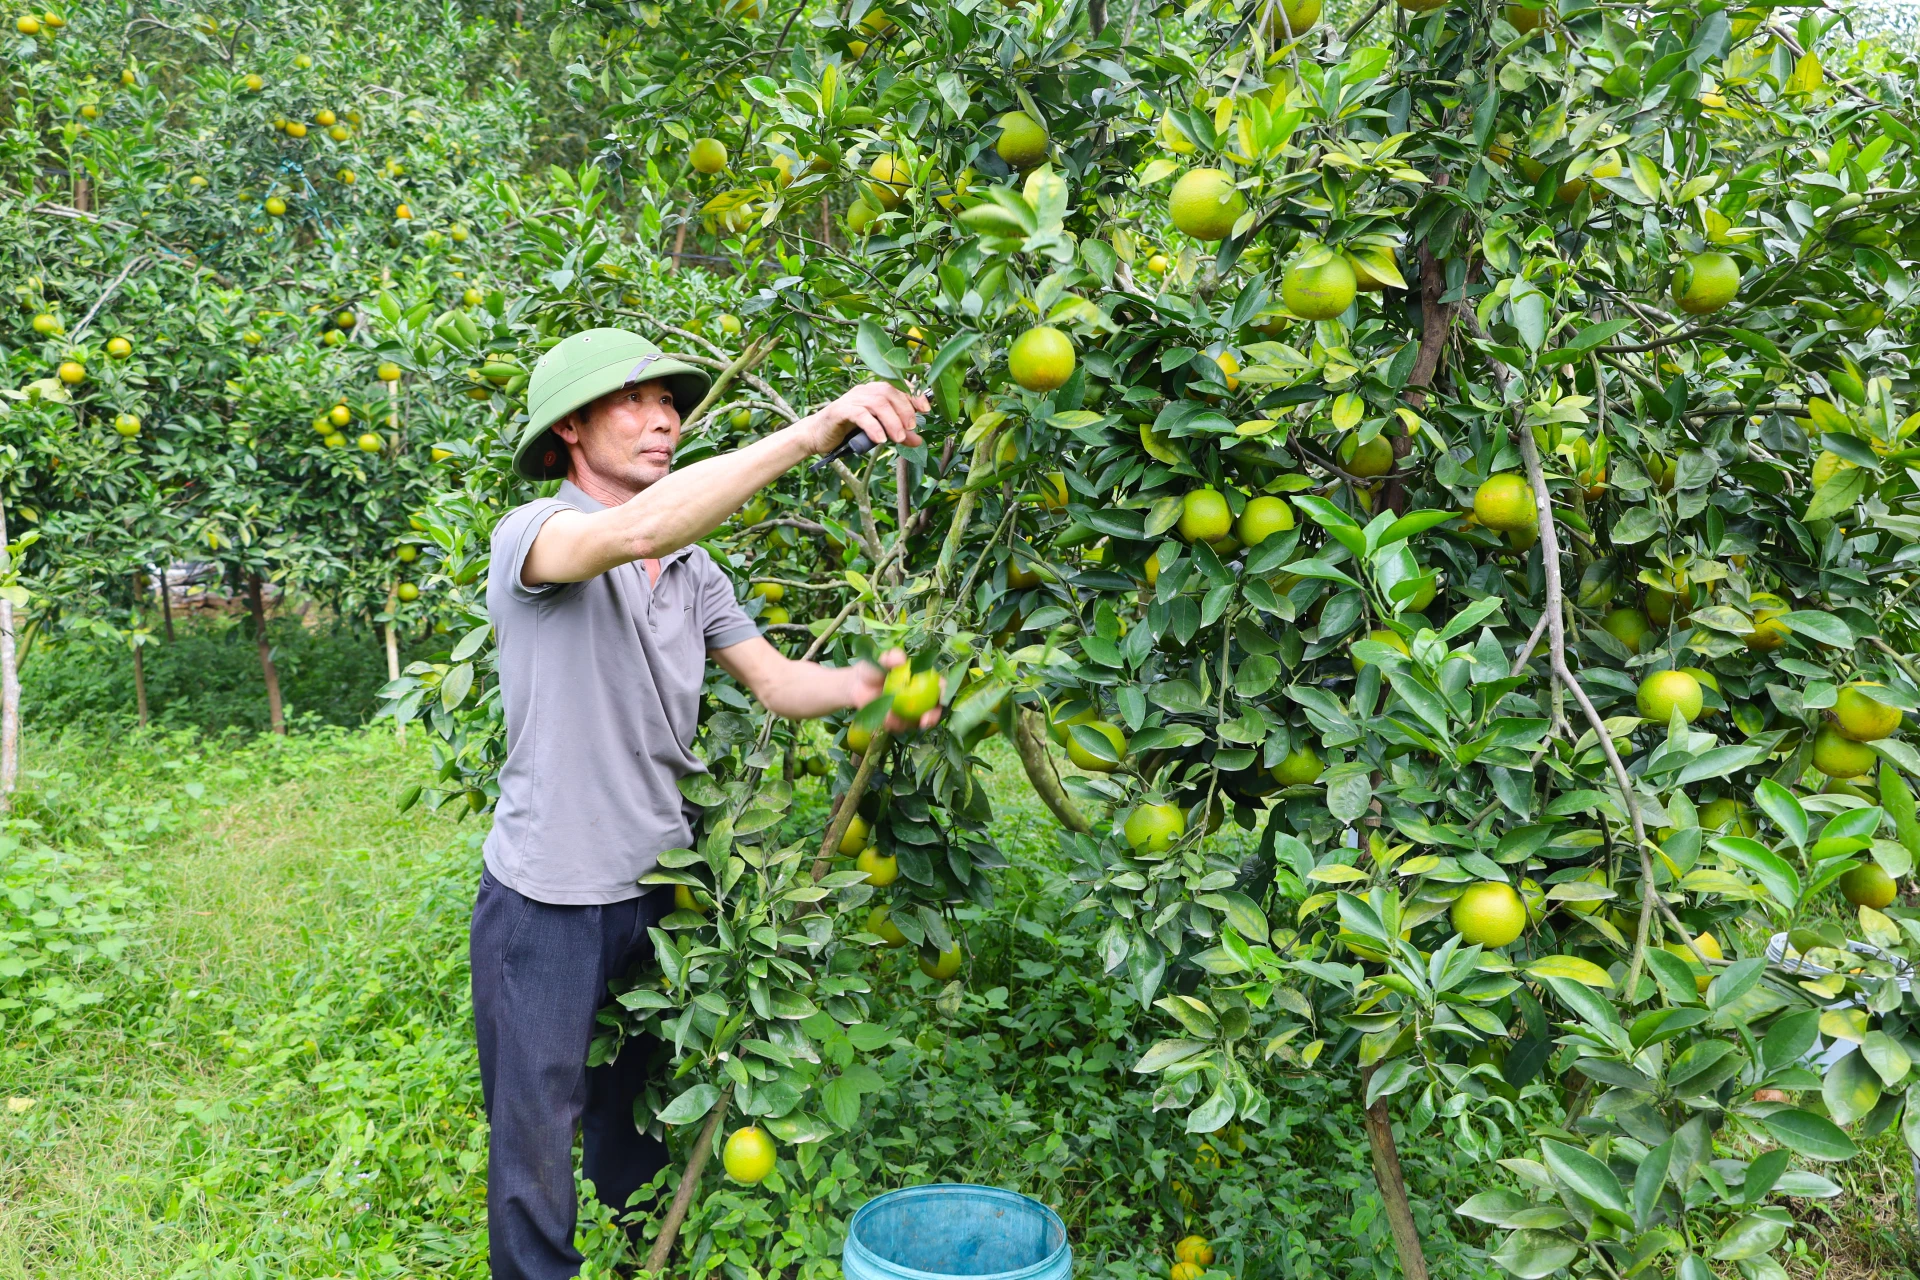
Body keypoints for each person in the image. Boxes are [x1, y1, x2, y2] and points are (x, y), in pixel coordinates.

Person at [472, 326, 936, 1280]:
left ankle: (650, 1256)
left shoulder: (693, 573)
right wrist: (812, 432)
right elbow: (638, 529)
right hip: (547, 899)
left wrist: (870, 687)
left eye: (671, 404)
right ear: (569, 429)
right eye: (634, 402)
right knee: (533, 1138)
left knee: (628, 1119)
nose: (663, 420)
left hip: (657, 892)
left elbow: (773, 683)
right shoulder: (535, 538)